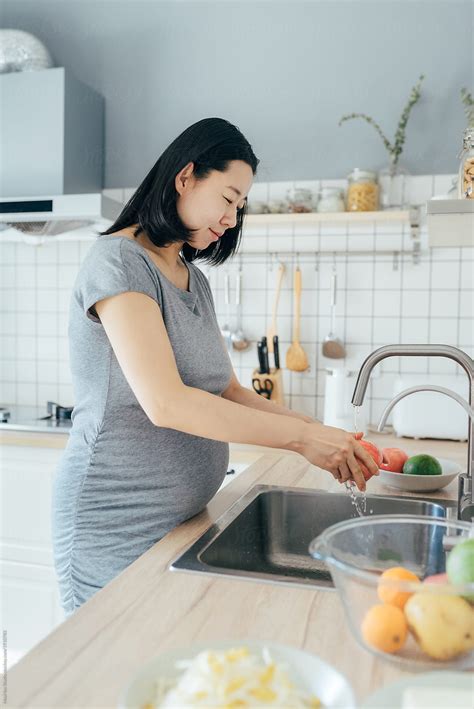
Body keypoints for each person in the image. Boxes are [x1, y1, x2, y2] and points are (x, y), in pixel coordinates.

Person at [52, 117, 378, 617]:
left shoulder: (191, 278)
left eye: (239, 207)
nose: (231, 218)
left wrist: (319, 430)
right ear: (186, 178)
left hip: (184, 520)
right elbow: (166, 403)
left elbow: (227, 390)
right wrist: (301, 440)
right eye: (227, 199)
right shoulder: (117, 263)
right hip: (114, 523)